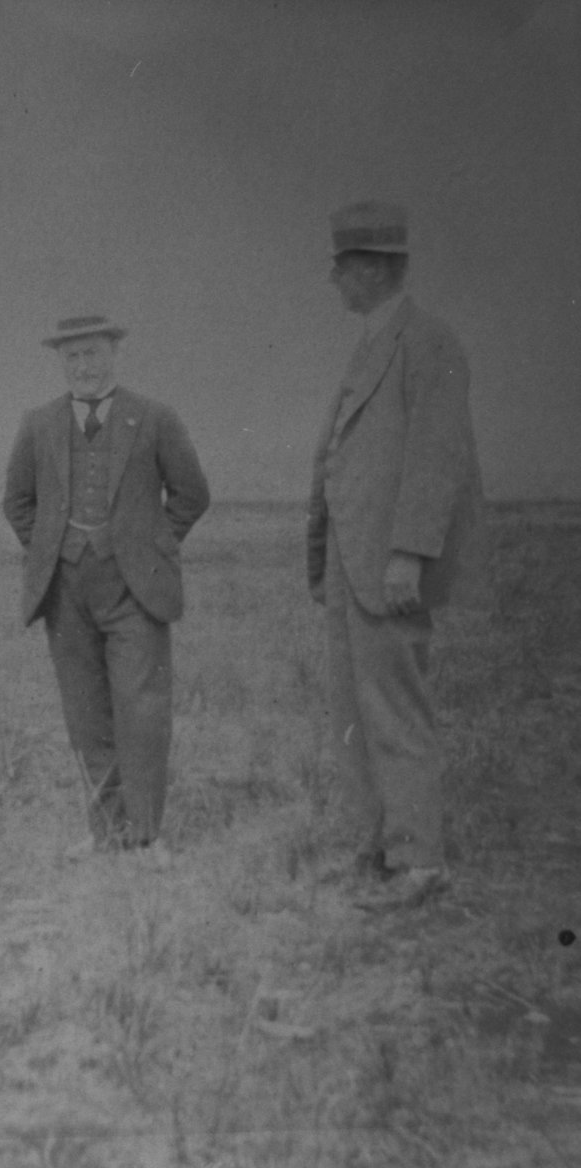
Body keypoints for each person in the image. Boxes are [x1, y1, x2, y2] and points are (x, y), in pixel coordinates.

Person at [307, 202, 487, 911]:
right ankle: (374, 850)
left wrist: (408, 555)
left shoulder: (428, 342)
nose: (333, 279)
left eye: (342, 266)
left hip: (386, 568)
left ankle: (419, 864)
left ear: (376, 268)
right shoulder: (374, 342)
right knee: (353, 709)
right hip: (354, 568)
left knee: (395, 709)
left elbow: (434, 458)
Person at [3, 313, 210, 869]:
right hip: (65, 591)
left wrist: (149, 547)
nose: (83, 367)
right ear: (60, 362)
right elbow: (18, 503)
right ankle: (104, 833)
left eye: (92, 354)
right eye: (71, 357)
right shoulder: (38, 424)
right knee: (85, 712)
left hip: (134, 591)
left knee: (141, 709)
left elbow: (191, 494)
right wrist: (51, 546)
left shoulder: (155, 418)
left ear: (115, 353)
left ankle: (145, 838)